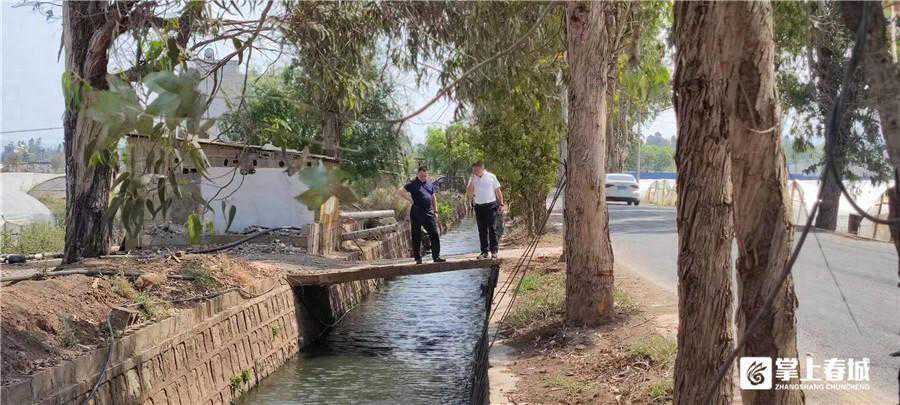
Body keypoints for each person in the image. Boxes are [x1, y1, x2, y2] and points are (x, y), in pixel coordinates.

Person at [399, 166, 446, 264]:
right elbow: (400, 191)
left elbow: (433, 197)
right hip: (417, 211)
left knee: (434, 233)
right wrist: (410, 200)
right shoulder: (412, 183)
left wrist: (436, 211)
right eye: (421, 175)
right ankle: (418, 258)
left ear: (427, 174)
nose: (423, 177)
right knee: (416, 235)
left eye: (425, 175)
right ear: (418, 174)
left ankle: (436, 257)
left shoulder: (429, 184)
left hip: (428, 212)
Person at [466, 161, 505, 259]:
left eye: (476, 169)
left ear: (482, 168)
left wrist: (501, 203)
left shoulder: (491, 176)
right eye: (473, 170)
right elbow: (469, 191)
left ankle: (494, 251)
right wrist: (472, 181)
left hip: (491, 205)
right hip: (479, 206)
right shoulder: (472, 178)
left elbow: (498, 191)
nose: (474, 171)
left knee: (492, 228)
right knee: (481, 229)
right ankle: (484, 252)